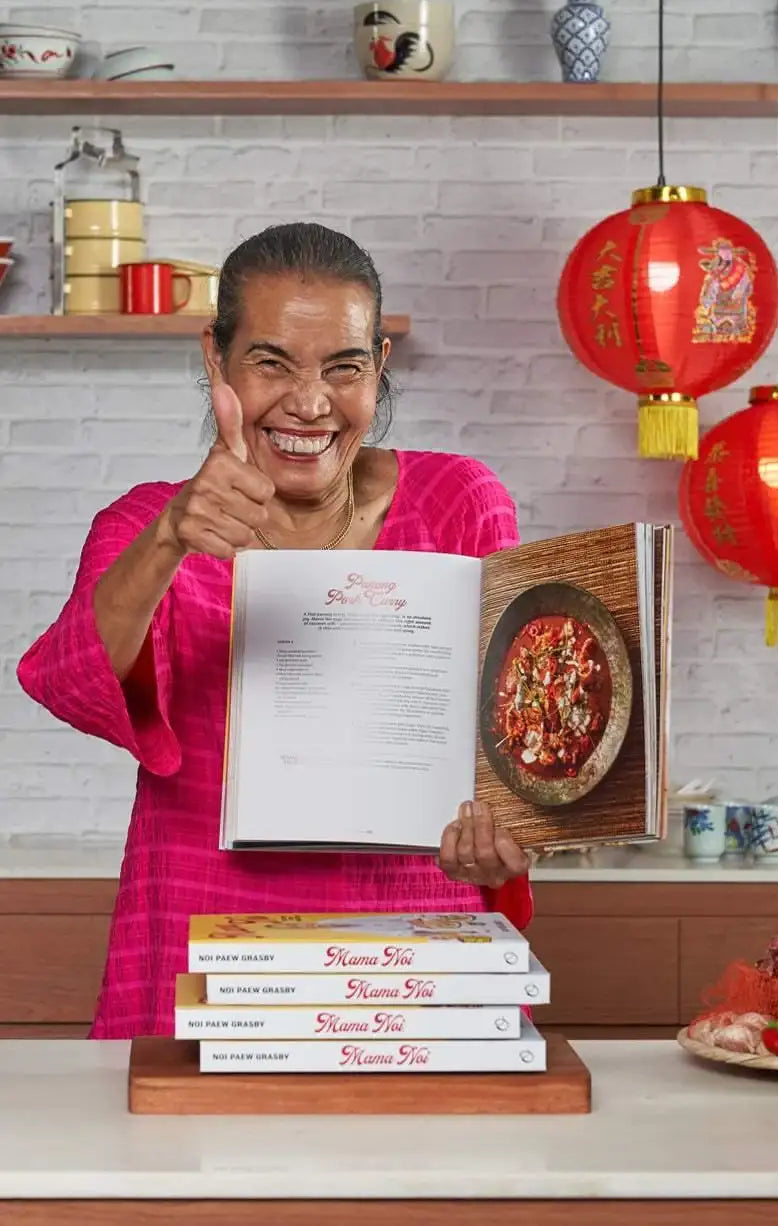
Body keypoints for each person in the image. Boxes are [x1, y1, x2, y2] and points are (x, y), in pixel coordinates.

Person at [17, 222, 532, 1039]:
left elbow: (512, 734)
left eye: (344, 367)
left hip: (412, 940)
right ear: (215, 358)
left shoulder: (460, 503)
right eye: (272, 363)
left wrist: (508, 831)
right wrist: (169, 538)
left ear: (379, 368)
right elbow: (75, 680)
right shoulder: (148, 526)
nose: (310, 402)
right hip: (203, 934)